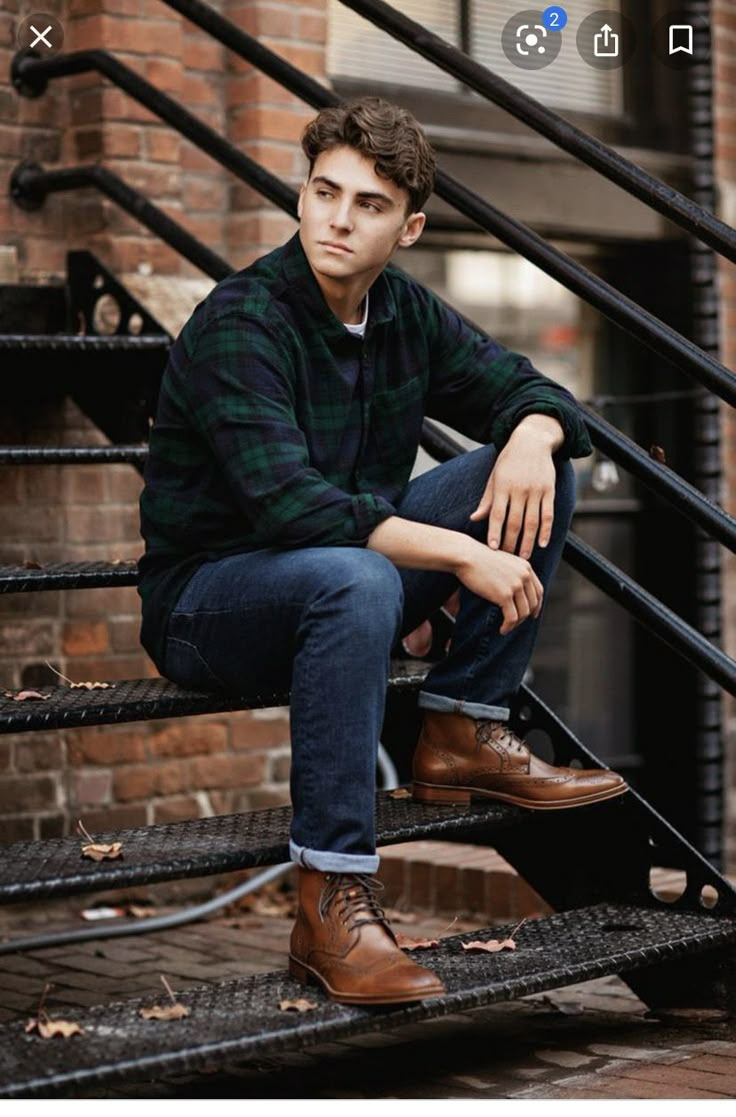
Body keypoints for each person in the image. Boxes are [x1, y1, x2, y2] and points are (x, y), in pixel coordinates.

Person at [138, 96, 627, 1007]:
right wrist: (458, 556)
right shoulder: (242, 320)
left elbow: (530, 388)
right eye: (324, 191)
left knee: (541, 467)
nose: (337, 217)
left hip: (342, 575)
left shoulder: (400, 312)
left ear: (409, 227)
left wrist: (530, 434)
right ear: (301, 194)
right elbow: (292, 505)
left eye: (367, 204)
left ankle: (459, 723)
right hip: (208, 600)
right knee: (356, 574)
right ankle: (330, 898)